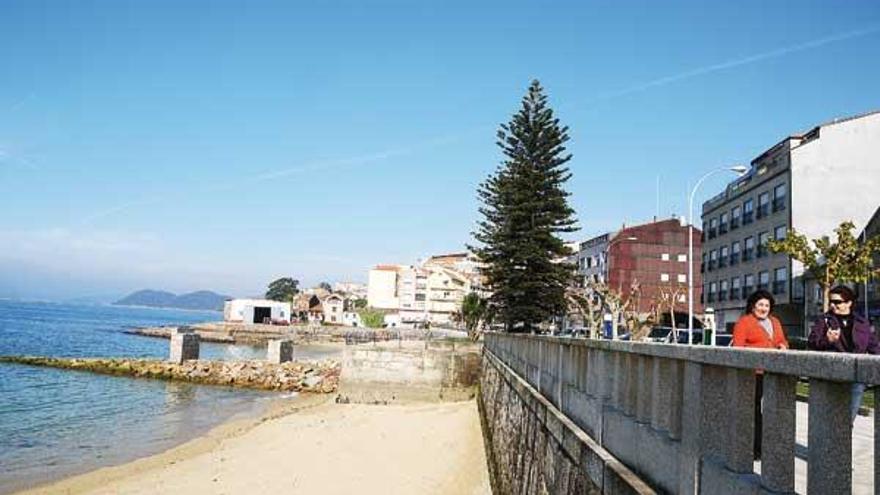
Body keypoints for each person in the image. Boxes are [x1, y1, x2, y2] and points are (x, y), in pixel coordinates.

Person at [808, 285, 879, 422]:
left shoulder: (861, 322)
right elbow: (812, 344)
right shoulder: (824, 320)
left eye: (837, 302)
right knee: (830, 419)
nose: (833, 305)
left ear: (849, 303)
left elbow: (873, 346)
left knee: (847, 419)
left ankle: (844, 436)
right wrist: (827, 340)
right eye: (831, 302)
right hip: (832, 373)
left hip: (856, 374)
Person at [732, 290, 789, 459]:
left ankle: (770, 447)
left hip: (772, 373)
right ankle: (754, 449)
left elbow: (781, 340)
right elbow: (738, 348)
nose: (763, 308)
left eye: (767, 305)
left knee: (773, 411)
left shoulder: (775, 322)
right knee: (754, 412)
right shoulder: (744, 322)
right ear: (753, 306)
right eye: (760, 305)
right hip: (753, 374)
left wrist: (784, 346)